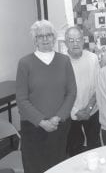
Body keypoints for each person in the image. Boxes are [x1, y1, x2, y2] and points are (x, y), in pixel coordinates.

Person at [16, 20, 76, 173]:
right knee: (35, 167)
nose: (44, 39)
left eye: (48, 35)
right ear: (35, 40)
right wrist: (41, 121)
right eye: (40, 36)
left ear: (54, 37)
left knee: (58, 166)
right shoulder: (25, 63)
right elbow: (21, 99)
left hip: (59, 126)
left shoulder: (64, 61)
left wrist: (57, 118)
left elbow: (72, 92)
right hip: (33, 127)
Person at [65, 26, 101, 157]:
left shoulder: (93, 58)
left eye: (78, 39)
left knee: (95, 147)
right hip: (70, 114)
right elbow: (61, 93)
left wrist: (89, 108)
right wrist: (75, 111)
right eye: (71, 40)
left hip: (92, 111)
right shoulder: (61, 61)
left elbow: (99, 86)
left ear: (83, 41)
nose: (75, 43)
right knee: (74, 149)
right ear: (65, 43)